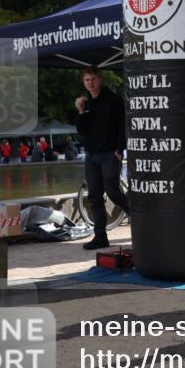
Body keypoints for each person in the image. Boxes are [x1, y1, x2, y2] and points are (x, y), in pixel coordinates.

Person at [74, 66, 129, 250]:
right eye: (87, 80)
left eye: (93, 79)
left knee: (113, 191)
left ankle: (140, 217)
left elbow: (123, 125)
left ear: (100, 79)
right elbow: (81, 130)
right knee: (94, 197)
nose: (90, 83)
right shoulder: (87, 104)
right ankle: (100, 237)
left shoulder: (113, 100)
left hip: (109, 153)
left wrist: (120, 148)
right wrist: (80, 111)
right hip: (91, 155)